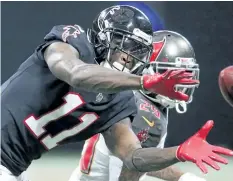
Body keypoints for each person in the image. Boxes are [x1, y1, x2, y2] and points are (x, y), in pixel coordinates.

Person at [0, 5, 231, 181]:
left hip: (14, 165)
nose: (130, 56)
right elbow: (76, 74)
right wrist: (144, 81)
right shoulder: (73, 42)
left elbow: (132, 157)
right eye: (127, 45)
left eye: (138, 50)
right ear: (104, 37)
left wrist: (177, 152)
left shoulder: (119, 100)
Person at [68, 30, 207, 181]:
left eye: (185, 74)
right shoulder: (143, 114)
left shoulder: (136, 98)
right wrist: (178, 153)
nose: (179, 83)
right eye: (172, 75)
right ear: (148, 70)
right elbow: (130, 168)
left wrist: (183, 177)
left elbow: (145, 161)